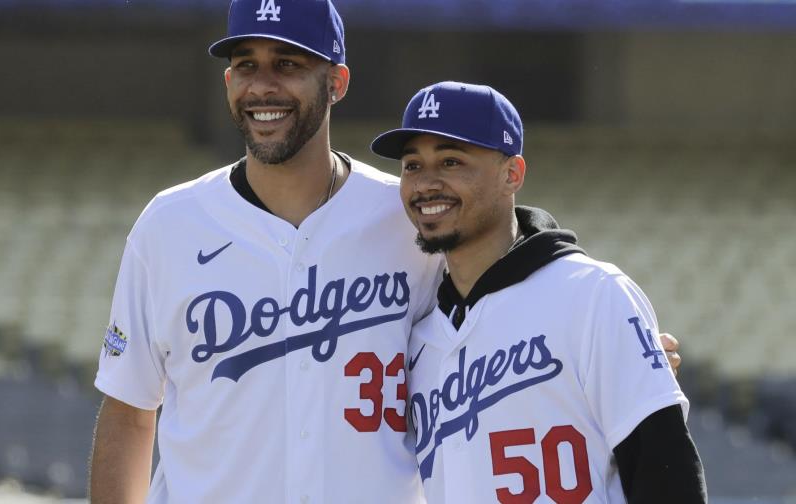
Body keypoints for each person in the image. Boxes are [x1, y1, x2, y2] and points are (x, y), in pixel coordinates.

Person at [88, 2, 683, 503]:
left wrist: (615, 351)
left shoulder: (406, 219)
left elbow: (504, 297)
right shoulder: (169, 225)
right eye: (246, 65)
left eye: (288, 64)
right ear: (227, 82)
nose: (263, 85)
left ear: (336, 82)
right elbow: (130, 411)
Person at [370, 81, 707, 503]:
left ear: (511, 174)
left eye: (451, 161)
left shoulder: (592, 295)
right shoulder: (421, 339)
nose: (425, 183)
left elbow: (667, 470)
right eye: (412, 165)